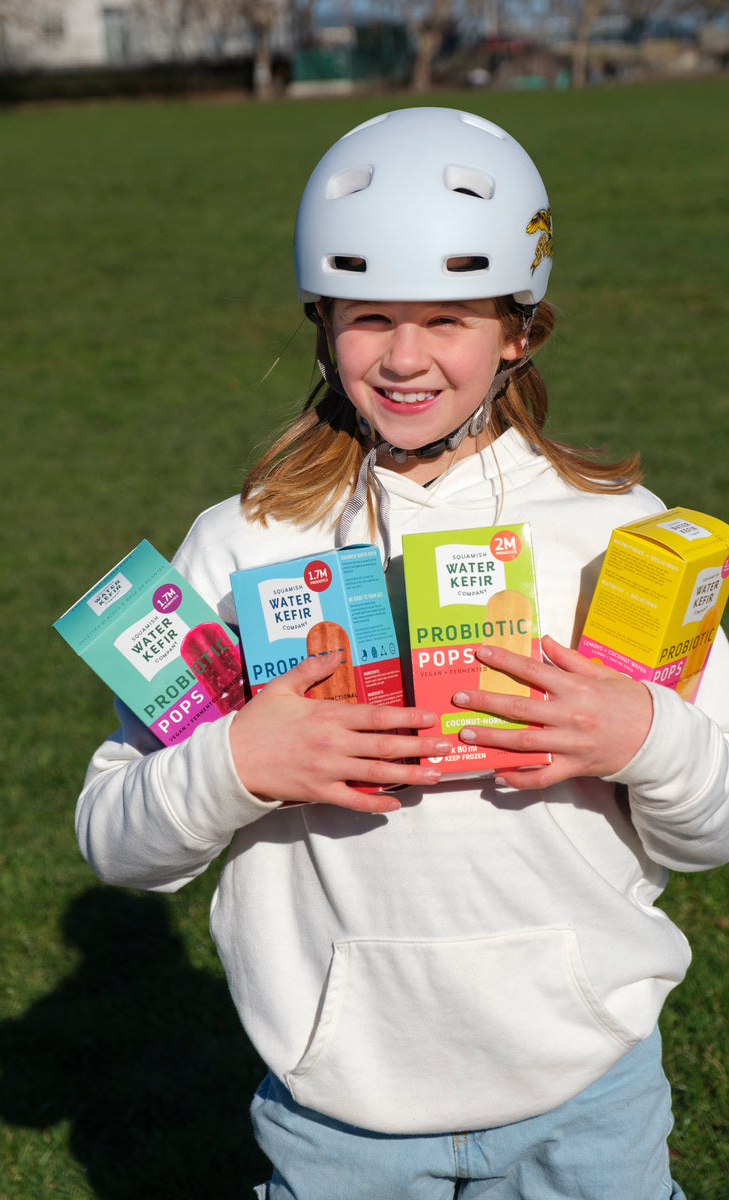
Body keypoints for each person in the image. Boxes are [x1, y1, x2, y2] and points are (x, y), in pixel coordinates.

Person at [75, 108, 729, 1199]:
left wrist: (644, 737)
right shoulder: (243, 545)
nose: (406, 356)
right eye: (369, 316)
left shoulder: (617, 535)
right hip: (340, 1114)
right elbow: (117, 840)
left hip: (587, 1091)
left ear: (517, 330)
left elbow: (710, 829)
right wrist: (237, 759)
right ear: (320, 319)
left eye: (448, 318)